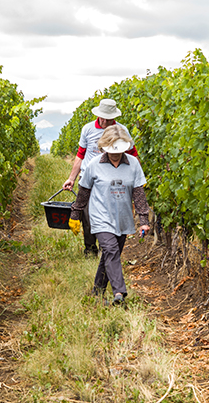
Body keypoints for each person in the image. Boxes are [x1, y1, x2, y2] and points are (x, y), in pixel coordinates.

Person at [68, 125, 150, 305]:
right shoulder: (94, 165)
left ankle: (97, 293)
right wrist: (75, 214)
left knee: (110, 255)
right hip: (100, 216)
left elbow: (138, 193)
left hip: (122, 217)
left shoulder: (133, 164)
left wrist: (143, 220)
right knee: (111, 250)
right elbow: (83, 191)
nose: (115, 154)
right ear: (104, 146)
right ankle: (119, 291)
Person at [62, 98, 138, 256]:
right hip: (89, 179)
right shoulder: (87, 129)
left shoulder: (121, 130)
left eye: (108, 118)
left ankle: (107, 249)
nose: (104, 121)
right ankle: (90, 249)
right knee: (88, 216)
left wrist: (137, 179)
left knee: (110, 215)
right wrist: (71, 178)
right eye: (102, 117)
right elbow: (80, 155)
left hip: (112, 180)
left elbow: (133, 155)